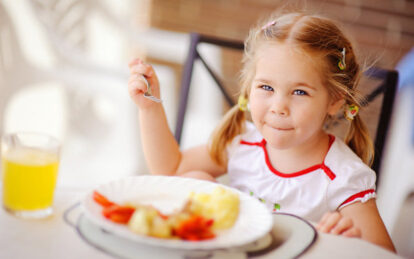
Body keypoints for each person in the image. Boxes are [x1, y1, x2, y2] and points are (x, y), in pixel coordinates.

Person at [128, 12, 395, 252]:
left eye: (300, 92)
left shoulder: (341, 176)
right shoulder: (243, 143)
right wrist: (149, 108)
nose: (279, 107)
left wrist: (341, 244)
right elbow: (171, 169)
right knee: (195, 178)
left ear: (335, 100)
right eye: (266, 87)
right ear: (249, 87)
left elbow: (384, 253)